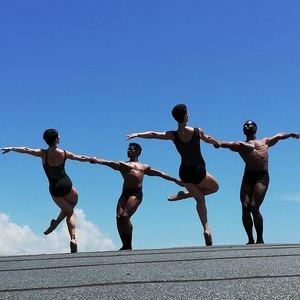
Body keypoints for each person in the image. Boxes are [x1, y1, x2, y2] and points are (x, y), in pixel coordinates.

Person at [126, 104, 219, 246]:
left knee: (199, 199)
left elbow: (154, 134)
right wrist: (216, 142)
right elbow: (208, 138)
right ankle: (189, 197)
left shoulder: (173, 135)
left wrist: (138, 134)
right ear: (186, 116)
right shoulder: (197, 131)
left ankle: (206, 229)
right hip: (199, 171)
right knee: (214, 188)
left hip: (185, 172)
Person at [1, 128, 93, 253]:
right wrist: (92, 159)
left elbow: (27, 150)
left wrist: (11, 148)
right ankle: (72, 237)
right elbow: (80, 157)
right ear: (56, 139)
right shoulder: (64, 153)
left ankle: (57, 226)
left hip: (54, 188)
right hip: (67, 185)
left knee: (69, 210)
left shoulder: (42, 153)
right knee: (70, 210)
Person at [214, 120, 300, 244]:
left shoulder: (265, 141)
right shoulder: (240, 145)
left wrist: (291, 134)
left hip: (262, 176)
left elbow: (279, 135)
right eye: (244, 125)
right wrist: (218, 143)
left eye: (249, 124)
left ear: (255, 128)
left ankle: (260, 239)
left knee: (254, 206)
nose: (246, 126)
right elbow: (227, 144)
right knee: (245, 206)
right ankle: (250, 239)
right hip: (248, 176)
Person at [90, 142, 182, 250]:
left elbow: (160, 173)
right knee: (119, 217)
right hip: (125, 193)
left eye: (131, 149)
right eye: (128, 149)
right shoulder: (123, 165)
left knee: (125, 216)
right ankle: (125, 244)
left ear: (137, 152)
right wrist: (97, 161)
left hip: (136, 193)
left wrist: (175, 180)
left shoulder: (143, 167)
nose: (128, 151)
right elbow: (110, 163)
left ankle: (128, 244)